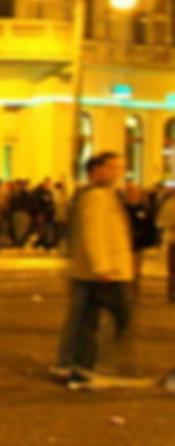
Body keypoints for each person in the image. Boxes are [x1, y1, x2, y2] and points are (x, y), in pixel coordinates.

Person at [56, 152, 136, 389]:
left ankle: (76, 367)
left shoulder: (107, 195)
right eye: (112, 167)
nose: (118, 172)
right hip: (101, 272)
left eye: (121, 167)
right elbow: (93, 234)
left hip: (99, 270)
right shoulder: (95, 198)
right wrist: (101, 266)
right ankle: (84, 368)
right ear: (96, 170)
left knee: (85, 320)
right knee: (114, 318)